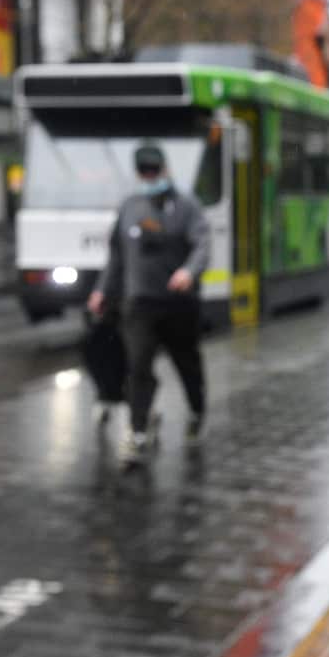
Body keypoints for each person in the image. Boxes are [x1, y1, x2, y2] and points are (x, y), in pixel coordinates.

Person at [87, 143, 210, 463]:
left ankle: (197, 411)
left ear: (165, 170)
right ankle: (139, 431)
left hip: (178, 304)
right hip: (139, 304)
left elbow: (202, 243)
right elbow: (116, 257)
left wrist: (189, 271)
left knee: (188, 364)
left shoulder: (186, 206)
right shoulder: (129, 206)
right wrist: (103, 290)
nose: (150, 176)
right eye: (145, 172)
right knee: (138, 366)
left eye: (154, 171)